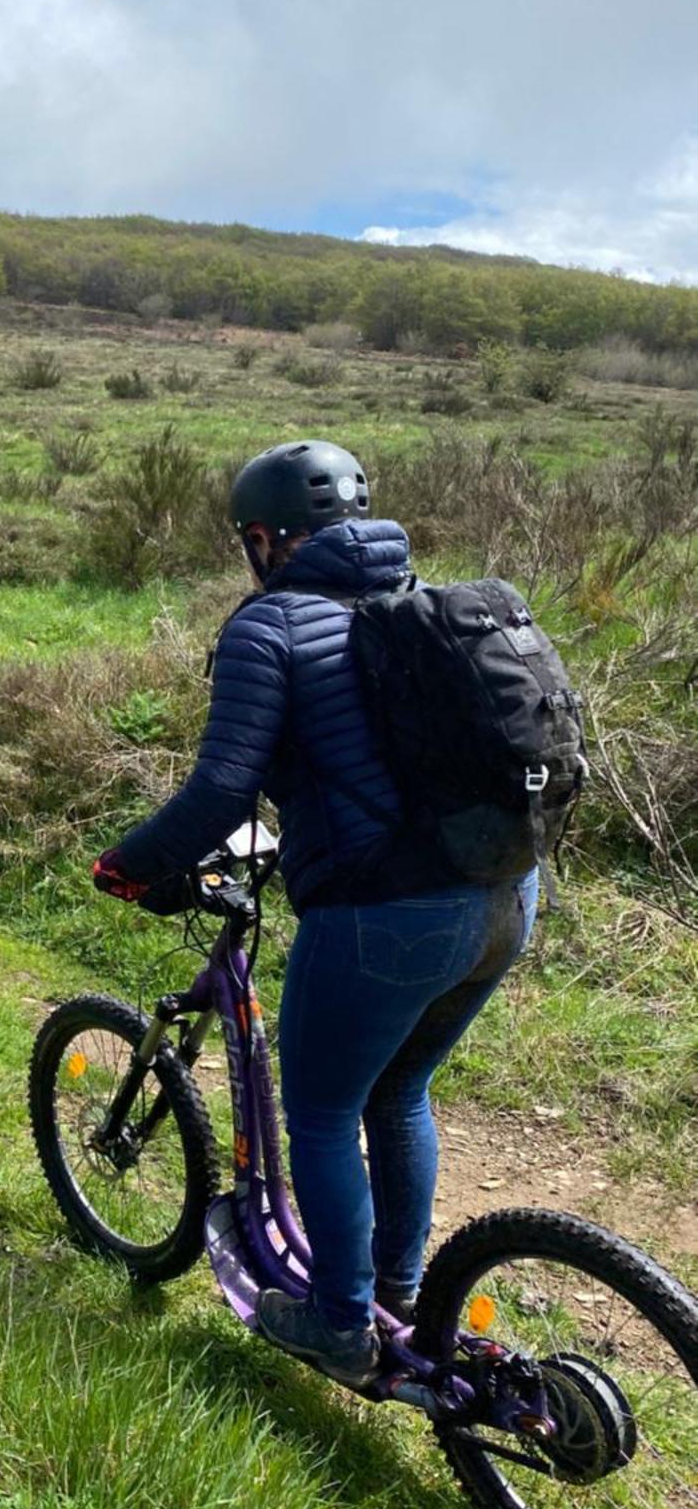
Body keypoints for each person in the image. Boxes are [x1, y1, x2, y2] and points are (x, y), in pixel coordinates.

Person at [92, 440, 538, 1390]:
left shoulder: (271, 627)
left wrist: (129, 866)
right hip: (505, 894)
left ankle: (341, 1321)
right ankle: (396, 1292)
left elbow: (222, 790)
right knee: (398, 1091)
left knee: (325, 1111)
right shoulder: (422, 601)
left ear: (263, 538)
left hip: (390, 916)